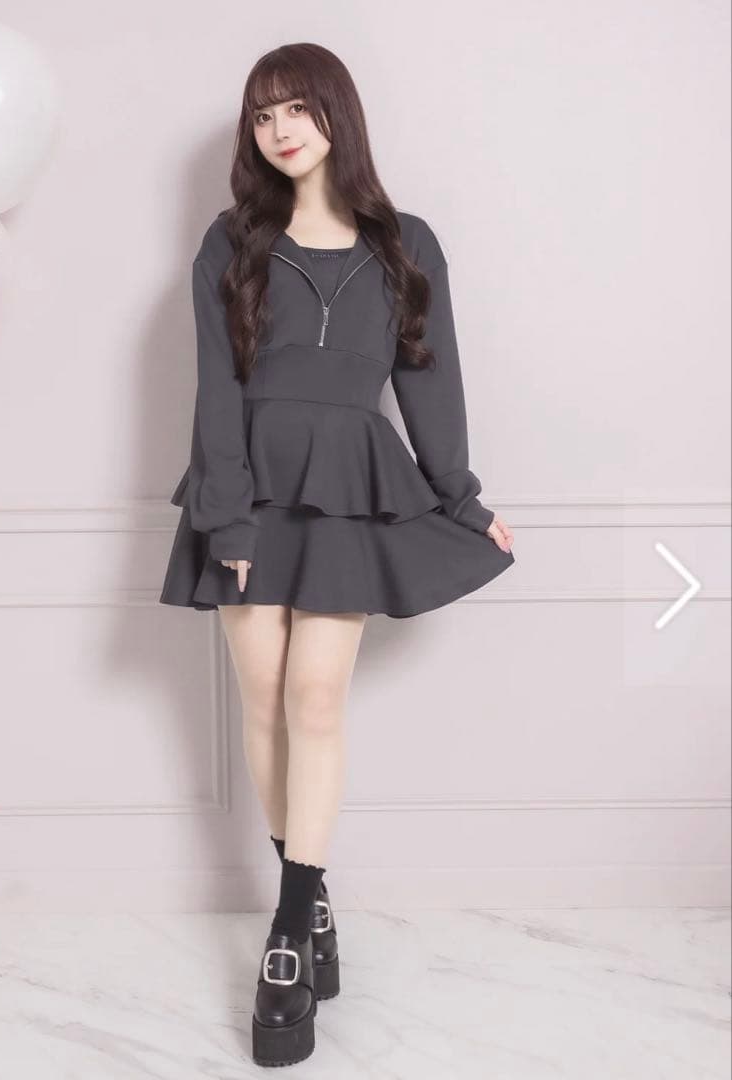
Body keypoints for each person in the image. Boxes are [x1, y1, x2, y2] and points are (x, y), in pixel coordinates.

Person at [160, 41, 516, 1067]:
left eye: (296, 108)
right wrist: (226, 519)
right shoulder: (230, 243)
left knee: (316, 699)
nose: (279, 129)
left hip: (350, 485)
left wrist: (462, 497)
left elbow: (430, 383)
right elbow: (215, 392)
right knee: (266, 701)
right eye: (262, 113)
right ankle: (312, 900)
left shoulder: (406, 245)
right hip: (249, 487)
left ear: (335, 115)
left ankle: (288, 925)